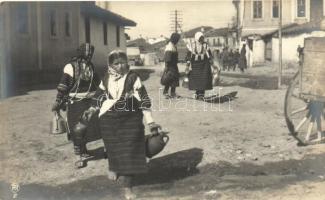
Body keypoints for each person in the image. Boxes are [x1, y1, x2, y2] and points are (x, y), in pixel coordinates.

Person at [83, 50, 161, 199]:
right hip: (109, 118)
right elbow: (99, 96)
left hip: (130, 120)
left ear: (127, 62)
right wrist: (90, 111)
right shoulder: (107, 78)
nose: (120, 66)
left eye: (122, 62)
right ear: (110, 65)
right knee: (113, 148)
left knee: (129, 151)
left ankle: (128, 187)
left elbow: (144, 100)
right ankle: (113, 167)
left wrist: (150, 121)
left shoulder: (133, 78)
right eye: (116, 63)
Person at [51, 43, 101, 167]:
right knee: (77, 129)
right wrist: (58, 101)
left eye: (91, 53)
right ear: (81, 52)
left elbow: (98, 83)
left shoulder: (91, 66)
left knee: (88, 128)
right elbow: (63, 85)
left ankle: (84, 151)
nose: (89, 55)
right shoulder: (70, 67)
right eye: (87, 52)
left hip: (89, 102)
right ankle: (79, 156)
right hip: (75, 103)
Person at [185, 32, 213, 100]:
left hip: (204, 64)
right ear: (197, 38)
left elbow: (209, 54)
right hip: (195, 64)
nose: (201, 40)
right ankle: (197, 93)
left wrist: (211, 62)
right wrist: (188, 64)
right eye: (200, 38)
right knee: (197, 80)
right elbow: (189, 55)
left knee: (204, 79)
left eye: (202, 38)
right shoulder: (192, 45)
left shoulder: (205, 45)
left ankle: (201, 95)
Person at [161, 33, 181, 98]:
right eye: (177, 39)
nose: (177, 41)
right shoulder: (169, 46)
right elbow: (167, 58)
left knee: (174, 80)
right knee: (169, 79)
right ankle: (165, 92)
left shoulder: (173, 46)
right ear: (174, 39)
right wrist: (166, 67)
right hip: (170, 66)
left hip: (174, 65)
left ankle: (173, 93)